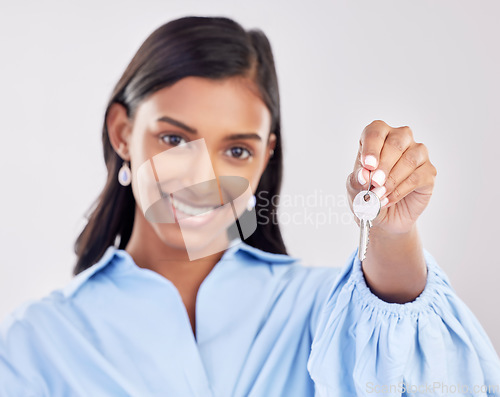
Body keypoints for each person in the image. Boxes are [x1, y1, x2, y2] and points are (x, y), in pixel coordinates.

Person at [1, 15, 499, 397]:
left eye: (236, 150)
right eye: (175, 138)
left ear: (266, 156)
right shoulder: (39, 341)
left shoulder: (321, 313)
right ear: (123, 133)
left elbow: (436, 377)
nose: (204, 178)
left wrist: (392, 232)